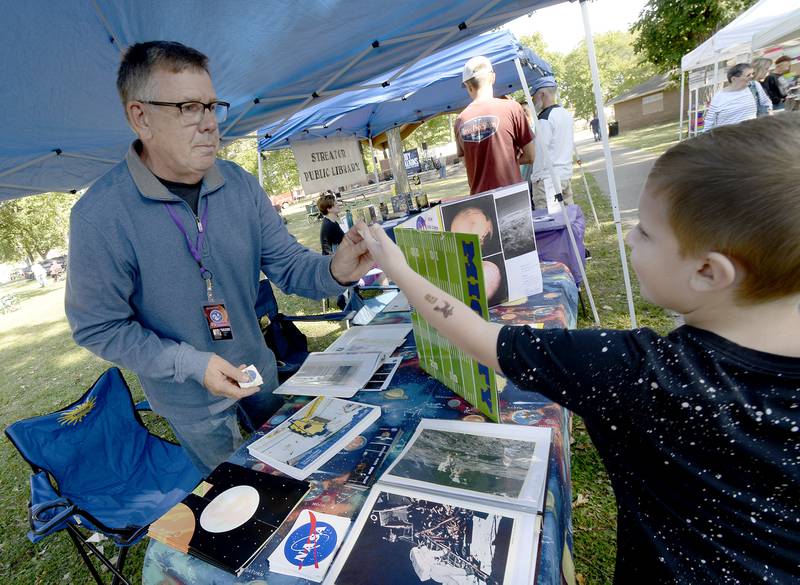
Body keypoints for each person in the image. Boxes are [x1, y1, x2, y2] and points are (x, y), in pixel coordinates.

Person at [355, 114, 800, 583]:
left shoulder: (642, 372)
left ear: (710, 272)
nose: (628, 236)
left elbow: (484, 340)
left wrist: (400, 269)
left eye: (645, 231)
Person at [65, 41, 373, 475]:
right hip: (189, 401)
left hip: (260, 373)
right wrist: (191, 364)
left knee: (301, 471)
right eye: (189, 108)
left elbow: (288, 264)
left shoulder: (240, 186)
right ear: (141, 117)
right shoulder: (100, 215)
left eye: (212, 106)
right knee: (242, 496)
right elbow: (98, 326)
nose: (210, 124)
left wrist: (335, 270)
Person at [454, 56, 534, 194]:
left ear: (467, 86)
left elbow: (466, 163)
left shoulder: (460, 121)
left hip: (481, 201)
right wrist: (510, 161)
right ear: (492, 77)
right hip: (512, 195)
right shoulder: (512, 108)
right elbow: (531, 156)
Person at [529, 76, 575, 210]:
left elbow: (538, 152)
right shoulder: (565, 113)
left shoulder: (545, 118)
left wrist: (536, 179)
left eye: (534, 96)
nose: (533, 100)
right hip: (564, 175)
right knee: (568, 218)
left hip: (548, 180)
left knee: (550, 223)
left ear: (542, 94)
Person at [704, 63, 771, 131]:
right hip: (728, 137)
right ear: (734, 79)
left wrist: (767, 117)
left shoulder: (754, 86)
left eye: (752, 73)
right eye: (748, 75)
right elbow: (709, 120)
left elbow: (766, 103)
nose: (752, 77)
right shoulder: (719, 96)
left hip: (751, 134)